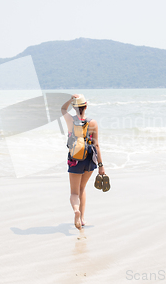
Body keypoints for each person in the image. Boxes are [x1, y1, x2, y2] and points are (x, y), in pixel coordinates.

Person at [61, 94, 105, 230]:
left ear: (74, 107)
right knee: (82, 188)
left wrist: (70, 99)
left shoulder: (70, 120)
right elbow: (97, 145)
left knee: (74, 192)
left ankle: (76, 211)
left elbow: (62, 109)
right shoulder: (93, 123)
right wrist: (101, 166)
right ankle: (82, 218)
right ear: (86, 106)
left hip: (75, 159)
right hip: (90, 159)